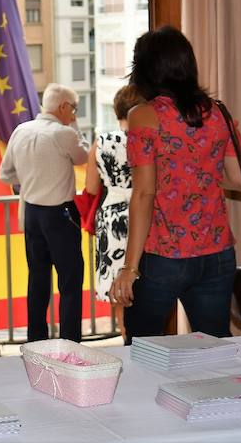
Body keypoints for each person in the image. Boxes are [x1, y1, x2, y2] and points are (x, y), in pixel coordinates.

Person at [110, 26, 241, 343]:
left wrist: (129, 269)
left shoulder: (143, 115)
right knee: (214, 348)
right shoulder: (218, 113)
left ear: (145, 69)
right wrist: (199, 171)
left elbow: (143, 194)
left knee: (143, 347)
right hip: (217, 254)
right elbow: (240, 180)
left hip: (164, 256)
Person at [0, 83, 89, 342]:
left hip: (32, 214)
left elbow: (4, 174)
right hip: (61, 215)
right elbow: (82, 157)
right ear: (63, 107)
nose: (74, 115)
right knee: (70, 283)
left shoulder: (21, 130)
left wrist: (29, 180)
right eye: (73, 109)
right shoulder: (64, 133)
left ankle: (36, 342)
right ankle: (70, 343)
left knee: (37, 280)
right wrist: (73, 126)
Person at [84, 85, 143, 339]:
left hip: (113, 217)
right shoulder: (151, 138)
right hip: (146, 214)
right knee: (149, 286)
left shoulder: (103, 142)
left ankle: (127, 339)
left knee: (120, 292)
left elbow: (90, 186)